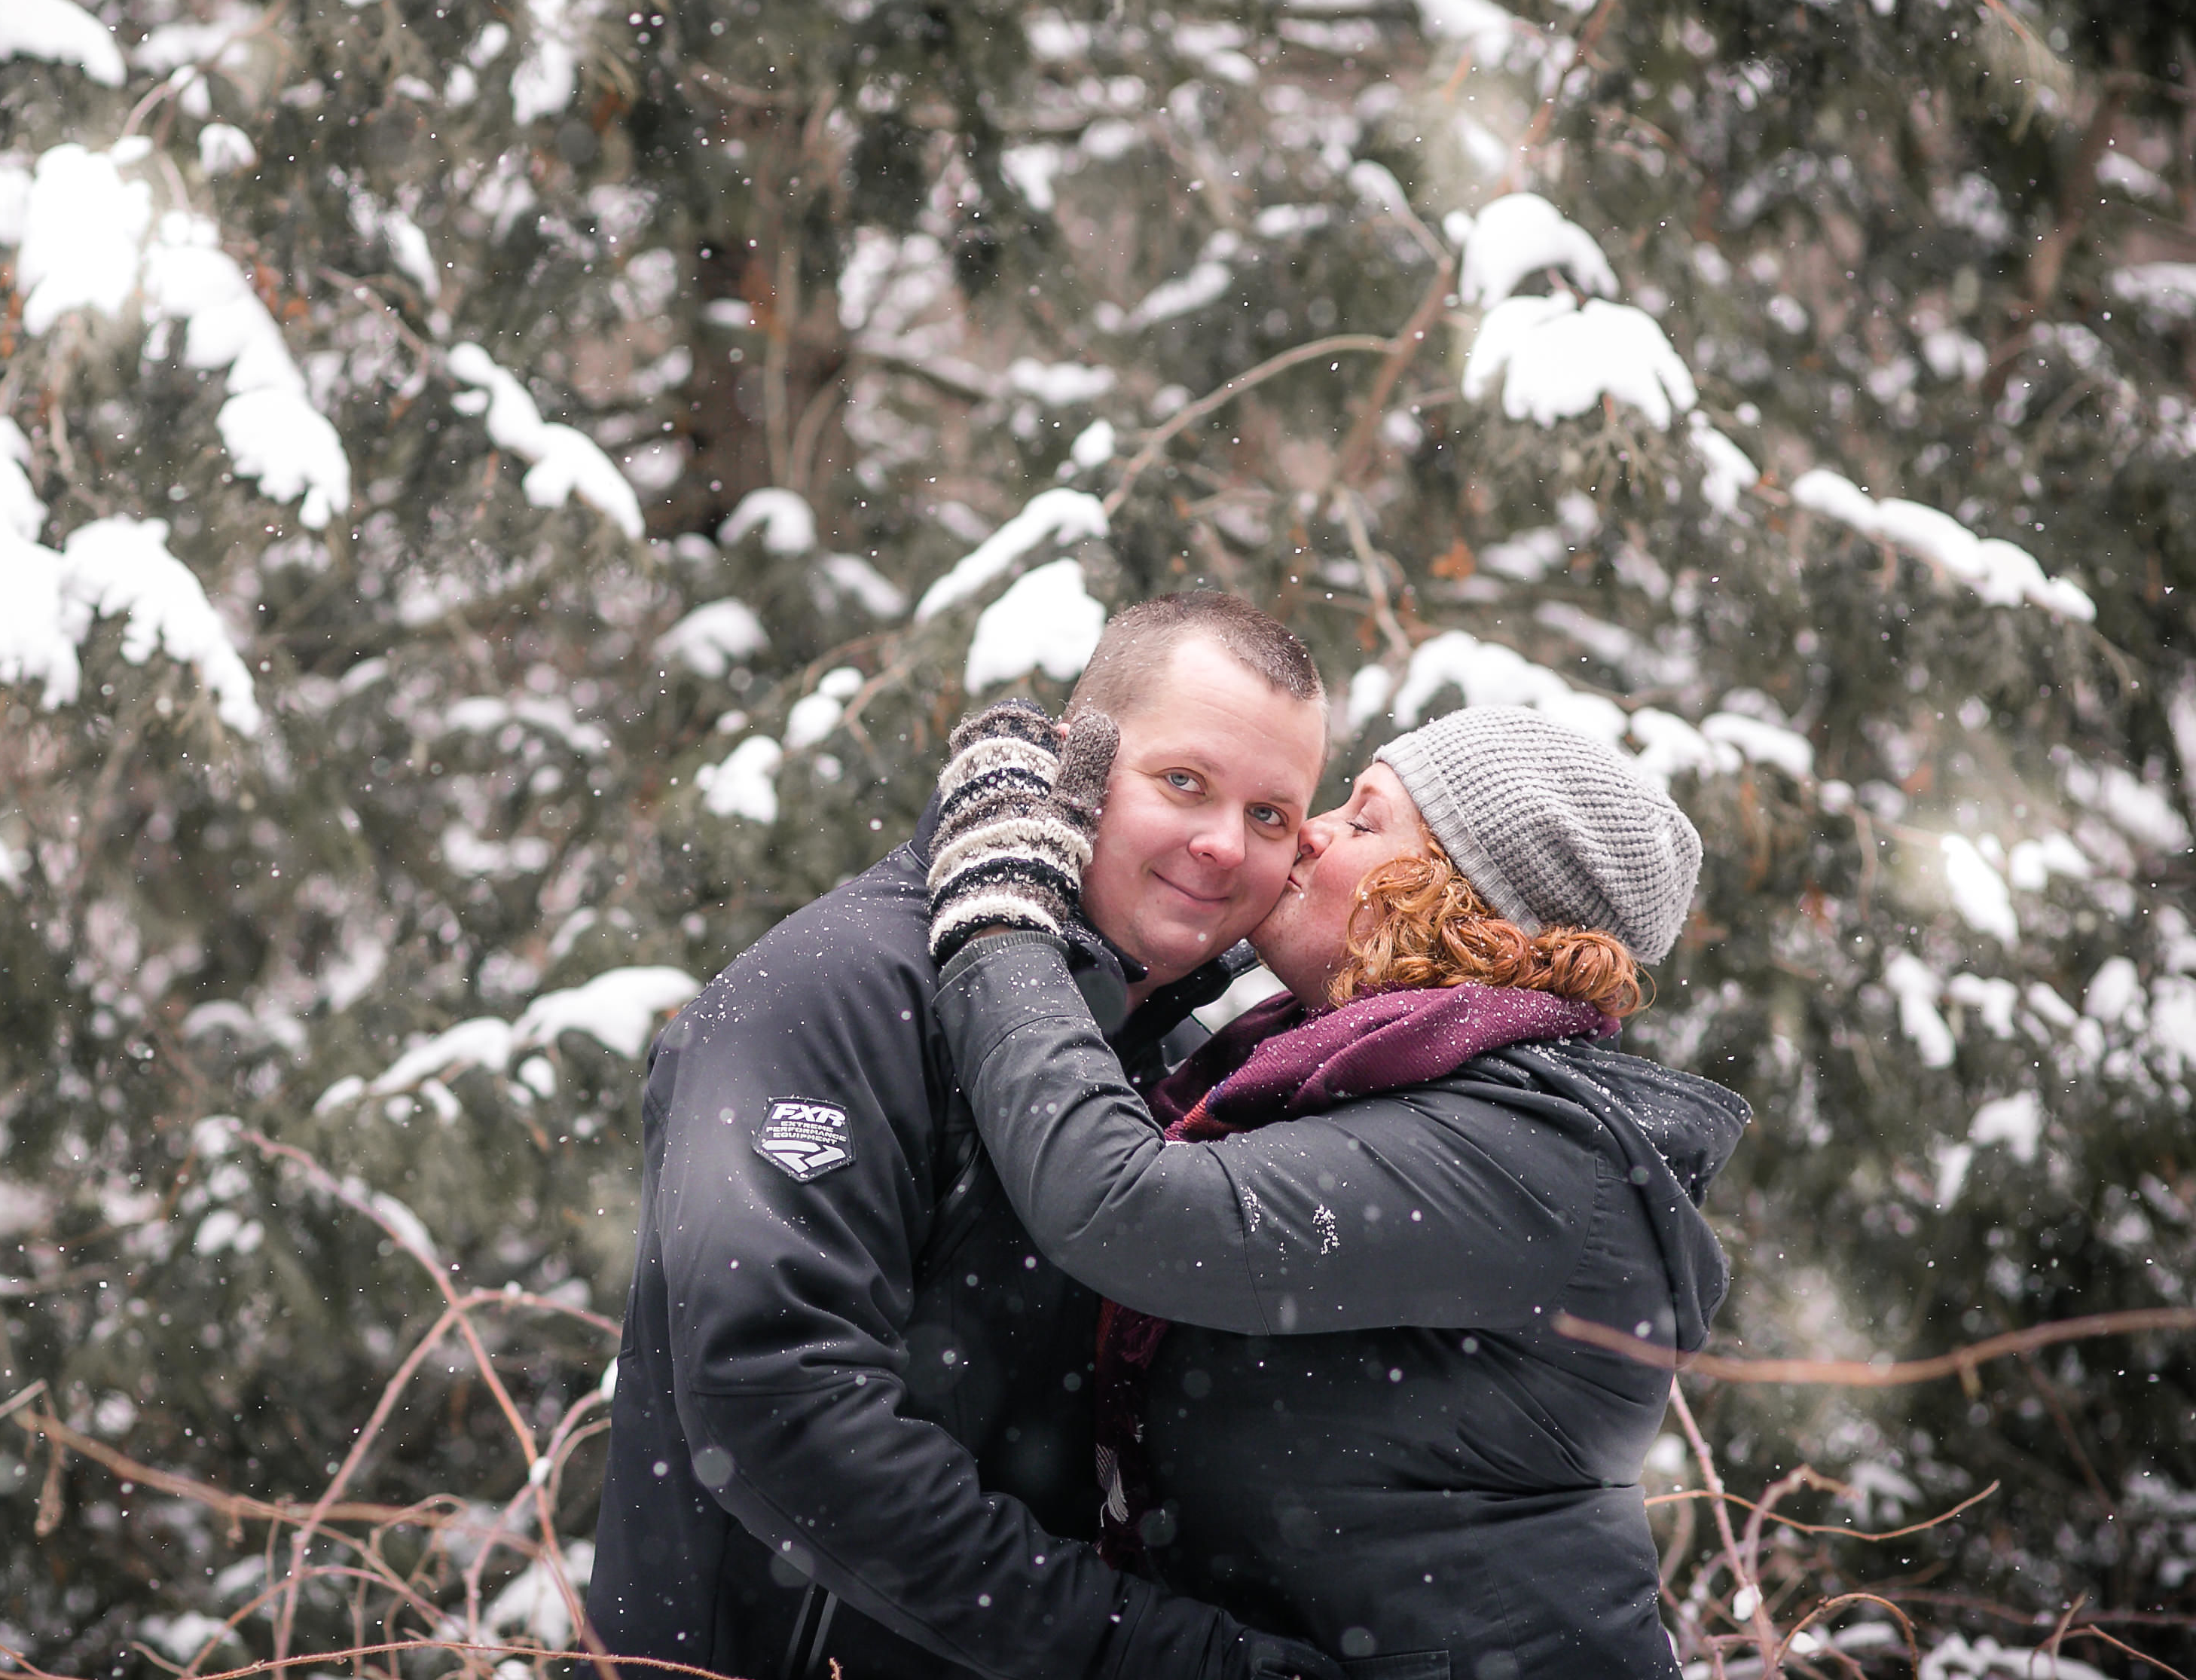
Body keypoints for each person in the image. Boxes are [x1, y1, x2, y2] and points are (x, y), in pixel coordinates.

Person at [589, 593, 1345, 1680]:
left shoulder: (1139, 1035)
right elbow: (779, 1409)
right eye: (1184, 783)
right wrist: (1149, 1658)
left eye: (1272, 816)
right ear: (1081, 767)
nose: (1223, 844)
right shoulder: (832, 996)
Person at [924, 701, 1753, 1680]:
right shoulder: (1351, 1077)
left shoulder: (1520, 1156)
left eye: (1363, 819)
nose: (1312, 828)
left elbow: (1122, 1206)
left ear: (1457, 901)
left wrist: (1001, 914)